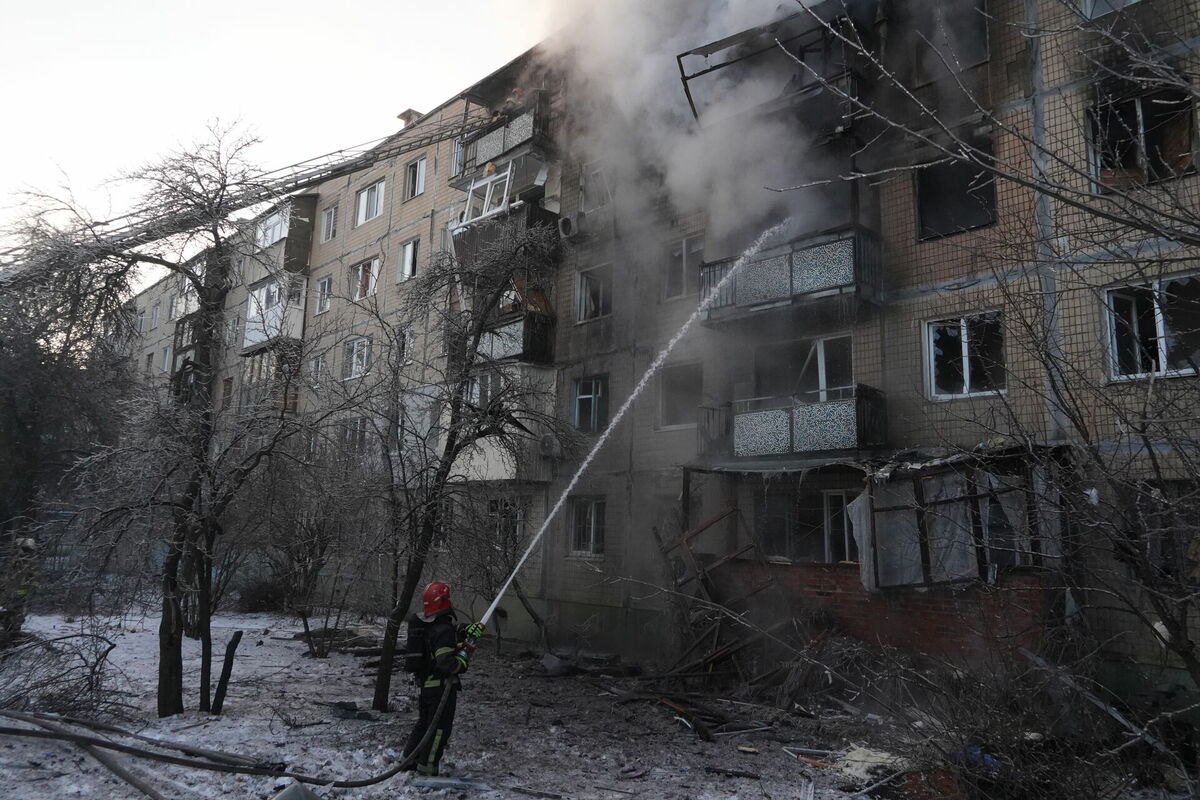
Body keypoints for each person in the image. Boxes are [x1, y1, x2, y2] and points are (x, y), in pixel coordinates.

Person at [402, 581, 483, 776]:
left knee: (424, 724)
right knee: (439, 730)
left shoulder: (427, 624)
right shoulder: (443, 630)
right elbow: (447, 664)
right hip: (441, 688)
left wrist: (464, 630)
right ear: (444, 601)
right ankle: (427, 768)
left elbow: (444, 634)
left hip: (427, 687)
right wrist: (465, 655)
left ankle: (409, 760)